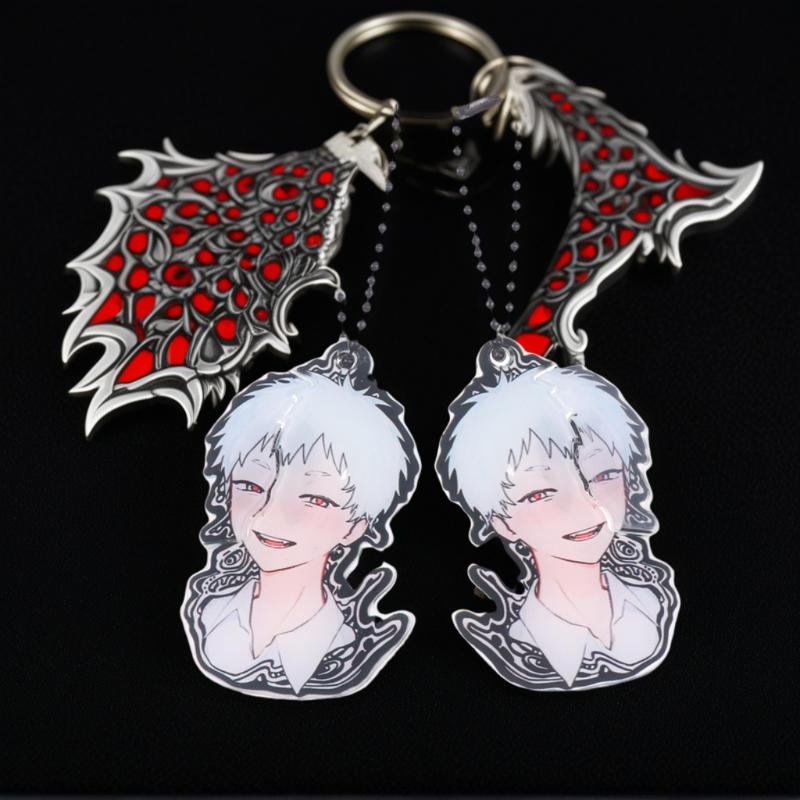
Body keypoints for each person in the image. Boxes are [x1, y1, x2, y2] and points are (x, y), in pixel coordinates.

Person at [437, 338, 679, 690]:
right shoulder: (521, 641)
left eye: (603, 475)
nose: (584, 505)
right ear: (500, 519)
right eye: (539, 494)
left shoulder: (653, 602)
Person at [182, 341, 419, 699]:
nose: (269, 513)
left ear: (357, 525)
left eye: (316, 499)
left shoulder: (345, 647)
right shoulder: (205, 613)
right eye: (251, 485)